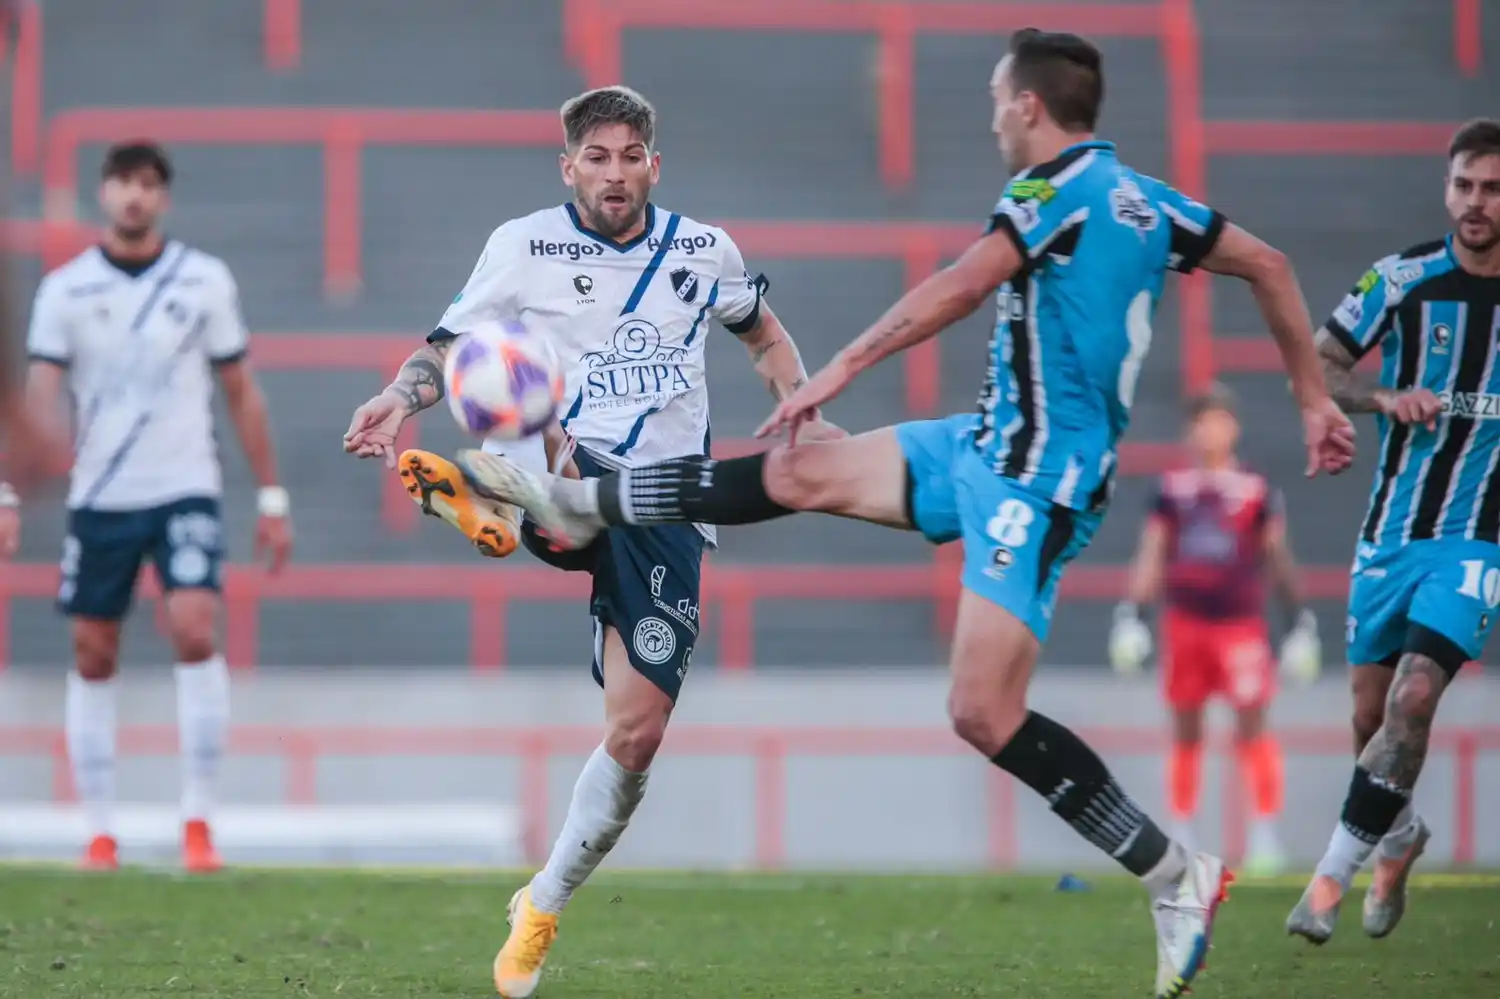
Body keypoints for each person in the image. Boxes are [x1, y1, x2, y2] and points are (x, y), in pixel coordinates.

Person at [449, 30, 1355, 999]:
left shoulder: (1052, 194)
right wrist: (1310, 394)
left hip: (1035, 484)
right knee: (800, 473)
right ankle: (570, 500)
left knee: (979, 711)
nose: (994, 116)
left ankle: (1176, 875)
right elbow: (1266, 261)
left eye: (1000, 100)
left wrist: (835, 370)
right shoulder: (1150, 200)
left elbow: (955, 290)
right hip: (977, 443)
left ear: (1030, 109)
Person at [341, 85, 831, 999]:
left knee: (637, 735)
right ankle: (497, 486)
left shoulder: (702, 250)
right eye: (596, 158)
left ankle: (541, 902)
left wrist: (797, 403)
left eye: (628, 155)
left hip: (668, 507)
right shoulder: (522, 245)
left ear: (654, 163)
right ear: (568, 168)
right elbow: (447, 346)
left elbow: (761, 334)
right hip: (569, 463)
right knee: (516, 386)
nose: (614, 172)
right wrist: (398, 397)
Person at [0, 141, 293, 873]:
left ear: (163, 197)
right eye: (123, 182)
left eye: (148, 184)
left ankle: (199, 819)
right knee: (93, 651)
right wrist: (8, 487)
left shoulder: (203, 280)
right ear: (104, 193)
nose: (134, 196)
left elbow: (240, 390)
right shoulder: (65, 289)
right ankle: (99, 830)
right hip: (101, 494)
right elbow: (36, 400)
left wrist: (271, 492)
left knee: (195, 628)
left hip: (183, 485)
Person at [1287, 118, 1500, 944]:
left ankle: (1326, 883)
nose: (1476, 203)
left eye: (1492, 188)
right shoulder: (1402, 279)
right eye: (1464, 186)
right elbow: (1319, 364)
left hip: (1476, 540)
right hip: (1389, 536)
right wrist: (1383, 398)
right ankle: (1400, 834)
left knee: (1416, 696)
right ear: (1447, 187)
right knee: (1372, 720)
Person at [1109, 383, 1321, 876]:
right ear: (1190, 429)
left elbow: (1276, 554)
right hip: (1185, 621)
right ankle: (1181, 830)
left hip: (1240, 624)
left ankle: (1263, 832)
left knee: (1252, 726)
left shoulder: (1255, 490)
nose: (1211, 430)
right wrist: (1132, 614)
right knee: (1186, 727)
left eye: (1219, 419)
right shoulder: (1171, 489)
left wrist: (1298, 620)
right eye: (1202, 420)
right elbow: (1153, 552)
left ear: (1234, 427)